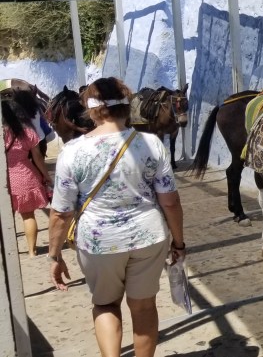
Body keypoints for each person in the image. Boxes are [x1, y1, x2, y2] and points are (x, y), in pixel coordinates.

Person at [47, 77, 186, 357]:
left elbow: (61, 213)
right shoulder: (151, 144)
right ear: (127, 108)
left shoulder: (72, 151)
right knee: (144, 307)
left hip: (98, 243)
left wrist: (54, 255)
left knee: (106, 305)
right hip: (148, 237)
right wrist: (179, 243)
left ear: (92, 110)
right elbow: (170, 201)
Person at [2, 92, 52, 256]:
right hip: (25, 178)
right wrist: (47, 176)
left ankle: (6, 253)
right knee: (28, 216)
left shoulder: (2, 135)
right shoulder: (28, 133)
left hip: (4, 179)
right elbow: (37, 158)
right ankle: (32, 251)